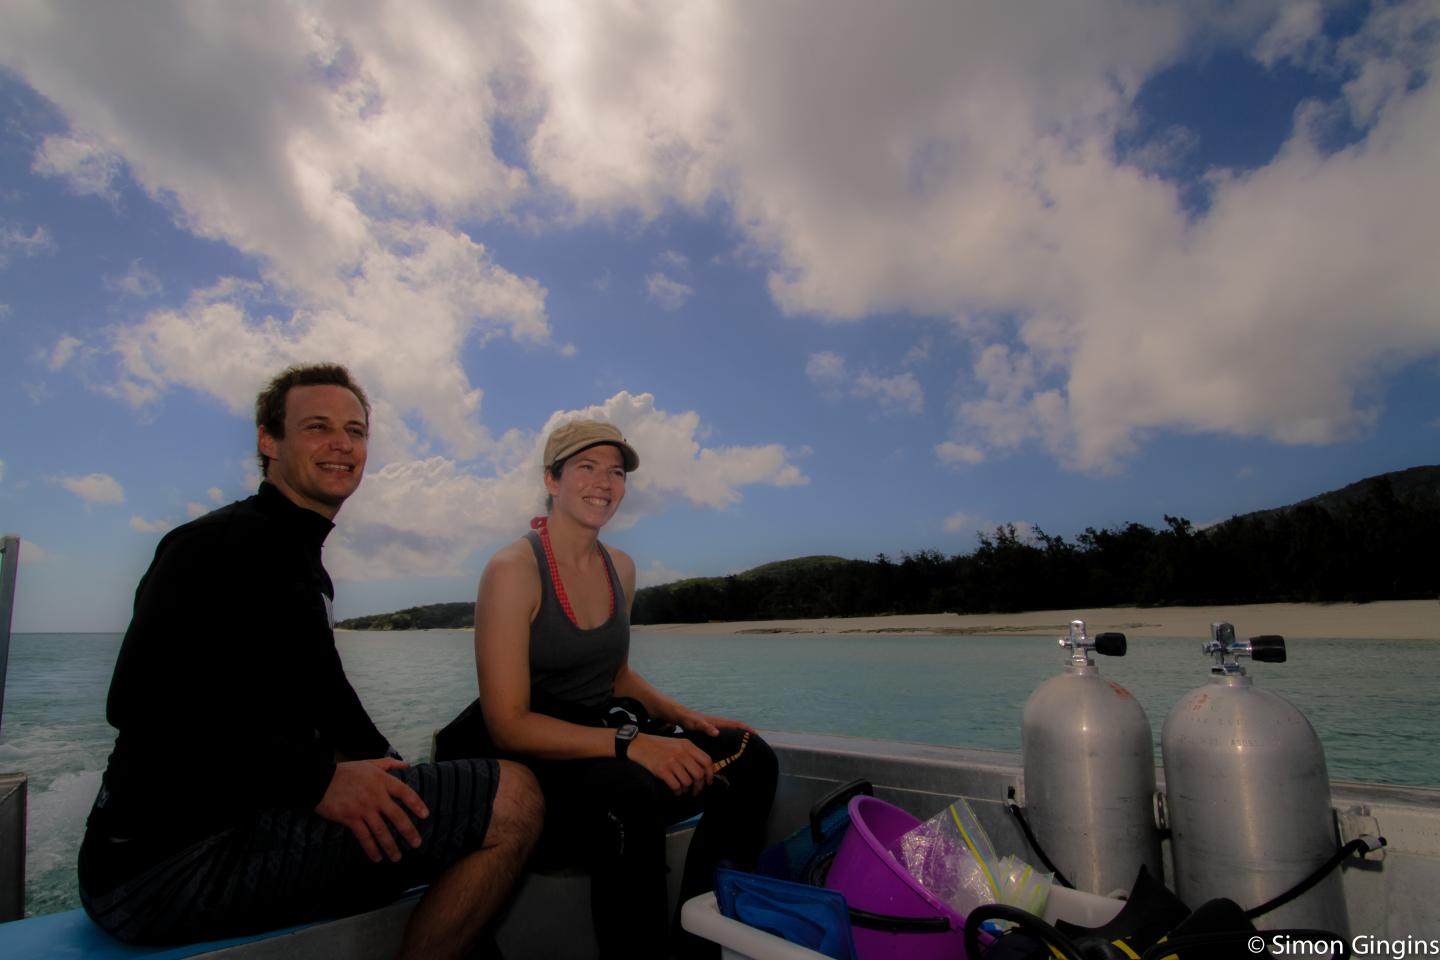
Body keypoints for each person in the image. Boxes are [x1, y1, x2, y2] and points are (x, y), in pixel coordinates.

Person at [79, 363, 543, 959]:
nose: (342, 444)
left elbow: (330, 700)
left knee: (449, 803)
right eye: (318, 427)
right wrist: (316, 782)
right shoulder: (216, 545)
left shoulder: (297, 560)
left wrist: (397, 775)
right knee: (515, 798)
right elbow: (140, 702)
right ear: (268, 441)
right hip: (161, 869)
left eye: (355, 430)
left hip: (225, 831)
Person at [470, 419, 778, 959]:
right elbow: (508, 724)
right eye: (586, 467)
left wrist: (690, 720)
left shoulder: (621, 568)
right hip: (536, 753)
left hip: (603, 736)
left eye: (615, 471)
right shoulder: (514, 569)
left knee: (750, 756)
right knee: (629, 794)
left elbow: (617, 675)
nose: (603, 482)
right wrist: (633, 745)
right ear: (552, 479)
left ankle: (700, 940)